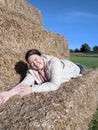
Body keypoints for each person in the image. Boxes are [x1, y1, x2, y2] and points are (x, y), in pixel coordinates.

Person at [0, 49, 86, 104]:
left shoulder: (54, 62)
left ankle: (78, 64)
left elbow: (54, 85)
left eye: (36, 59)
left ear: (41, 56)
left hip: (72, 68)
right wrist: (8, 93)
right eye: (32, 63)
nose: (35, 64)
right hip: (62, 64)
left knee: (82, 68)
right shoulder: (32, 70)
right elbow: (24, 84)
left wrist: (32, 89)